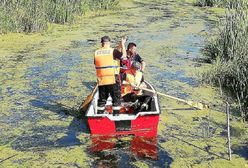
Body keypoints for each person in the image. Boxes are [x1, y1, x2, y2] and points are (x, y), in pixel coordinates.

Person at [94, 36, 127, 116]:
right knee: (116, 99)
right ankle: (116, 116)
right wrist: (122, 44)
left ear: (102, 43)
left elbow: (98, 63)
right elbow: (124, 58)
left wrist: (118, 47)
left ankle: (99, 116)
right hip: (112, 78)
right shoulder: (112, 51)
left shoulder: (96, 52)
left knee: (102, 100)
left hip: (102, 80)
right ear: (109, 43)